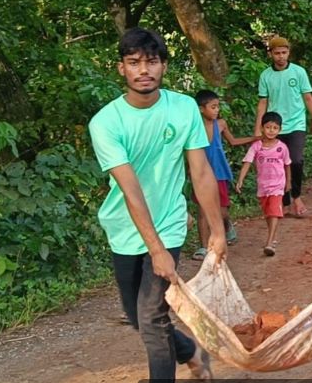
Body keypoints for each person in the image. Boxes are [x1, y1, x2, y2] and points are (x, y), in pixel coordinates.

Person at [89, 27, 225, 380]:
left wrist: (217, 231)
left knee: (151, 316)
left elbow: (201, 172)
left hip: (168, 222)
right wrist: (154, 250)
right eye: (134, 62)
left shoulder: (182, 108)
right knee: (138, 316)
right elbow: (131, 190)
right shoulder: (106, 123)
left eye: (151, 61)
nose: (143, 70)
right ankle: (191, 351)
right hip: (124, 227)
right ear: (121, 68)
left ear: (164, 65)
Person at [254, 36, 312, 217]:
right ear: (271, 54)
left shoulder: (298, 72)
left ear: (289, 53)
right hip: (274, 127)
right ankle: (283, 201)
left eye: (284, 53)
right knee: (278, 165)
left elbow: (308, 98)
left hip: (296, 124)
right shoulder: (265, 76)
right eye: (277, 53)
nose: (280, 57)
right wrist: (258, 128)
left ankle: (296, 196)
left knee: (296, 159)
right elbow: (263, 102)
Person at [192, 90, 256, 260]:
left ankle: (227, 228)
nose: (216, 110)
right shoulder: (193, 125)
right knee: (202, 211)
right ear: (201, 109)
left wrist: (255, 138)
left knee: (222, 211)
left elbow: (233, 141)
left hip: (219, 172)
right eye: (213, 107)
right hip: (201, 172)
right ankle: (203, 247)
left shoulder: (220, 124)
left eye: (217, 107)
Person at [237, 111, 291, 256]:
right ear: (262, 128)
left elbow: (287, 165)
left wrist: (289, 182)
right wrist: (241, 179)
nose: (271, 131)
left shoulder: (282, 147)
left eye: (275, 128)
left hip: (277, 185)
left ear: (279, 129)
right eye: (268, 127)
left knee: (274, 212)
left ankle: (269, 242)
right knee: (268, 213)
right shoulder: (256, 146)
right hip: (263, 186)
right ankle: (272, 236)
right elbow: (248, 162)